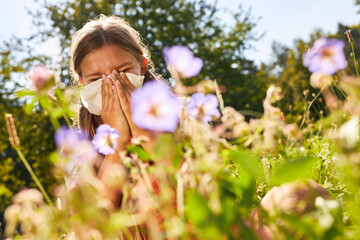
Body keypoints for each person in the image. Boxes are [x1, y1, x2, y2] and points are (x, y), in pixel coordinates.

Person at [69, 15, 331, 239]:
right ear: (82, 83)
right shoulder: (80, 148)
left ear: (143, 66)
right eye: (97, 79)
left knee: (304, 193)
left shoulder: (183, 113)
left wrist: (143, 132)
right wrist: (117, 142)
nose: (113, 84)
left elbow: (204, 194)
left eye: (122, 71)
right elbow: (87, 229)